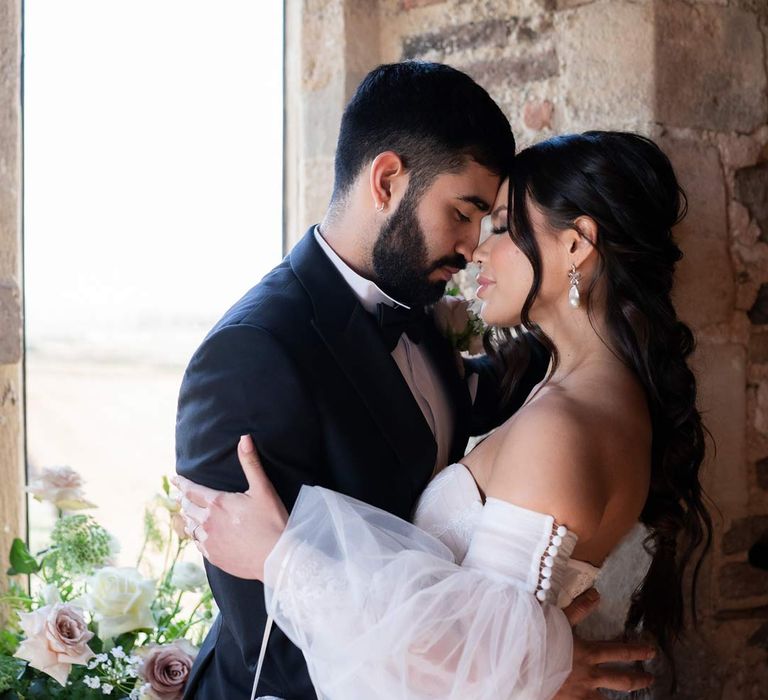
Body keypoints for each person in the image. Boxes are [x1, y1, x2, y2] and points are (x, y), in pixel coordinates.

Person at [175, 61, 659, 699]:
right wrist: (521, 667)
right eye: (464, 214)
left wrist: (521, 661)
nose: (472, 247)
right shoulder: (251, 355)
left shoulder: (425, 309)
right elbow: (274, 651)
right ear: (386, 181)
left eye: (495, 226)